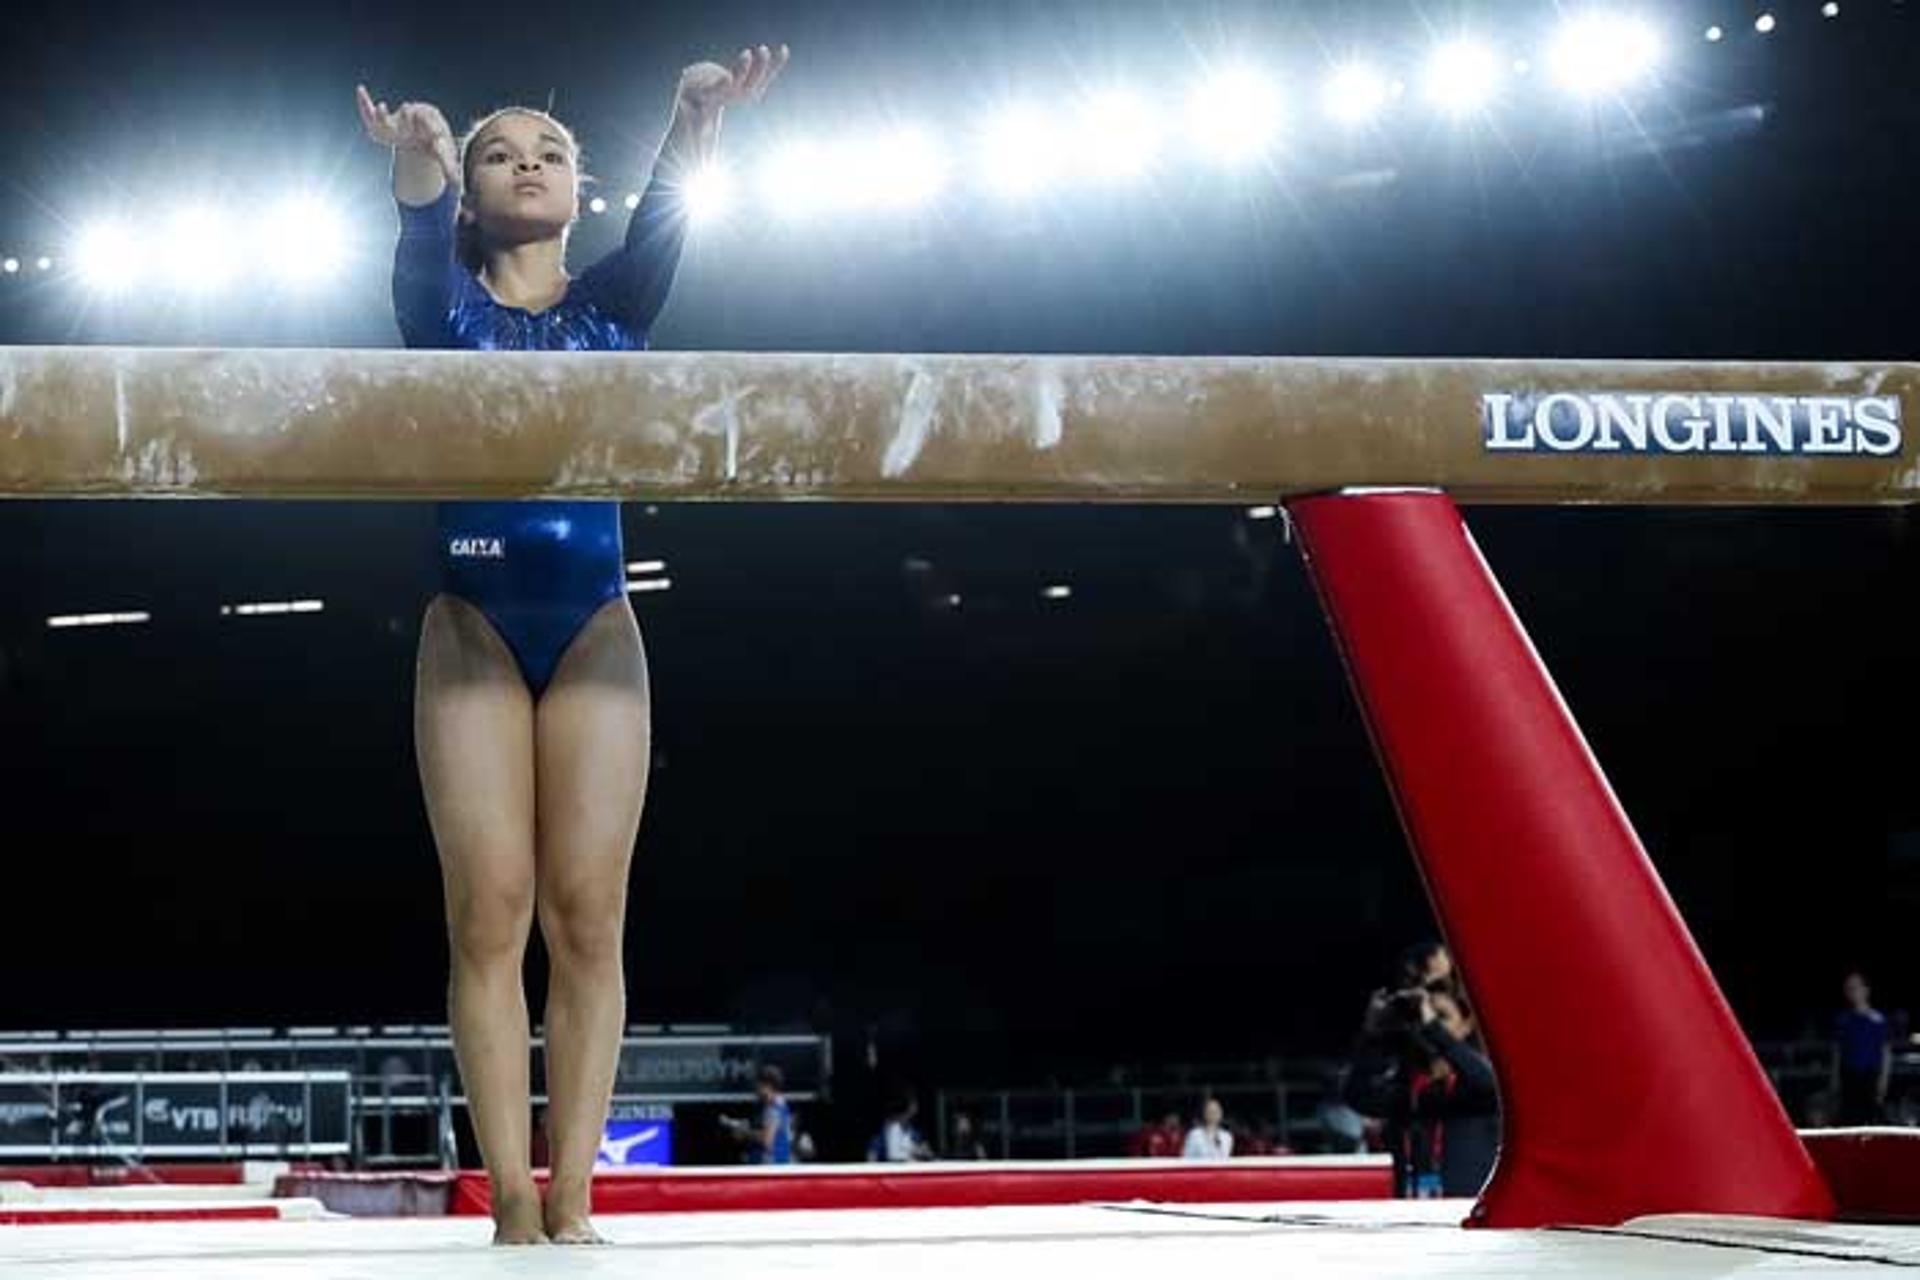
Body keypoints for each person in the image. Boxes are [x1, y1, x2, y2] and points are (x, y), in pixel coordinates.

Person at [356, 43, 788, 1246]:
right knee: (489, 910)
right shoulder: (441, 313)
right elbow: (413, 248)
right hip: (471, 624)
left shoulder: (612, 310)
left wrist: (694, 121)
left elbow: (659, 233)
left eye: (547, 151)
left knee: (588, 914)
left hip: (596, 618)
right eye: (500, 153)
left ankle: (578, 1202)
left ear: (574, 185)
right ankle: (511, 1206)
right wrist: (416, 165)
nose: (527, 163)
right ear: (476, 191)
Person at [1834, 971, 1892, 1126]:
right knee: (1850, 1121)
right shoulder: (1843, 1020)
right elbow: (1838, 1052)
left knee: (1872, 1121)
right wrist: (1835, 1080)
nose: (1852, 992)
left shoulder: (1878, 1020)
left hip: (1871, 1077)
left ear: (1866, 990)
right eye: (1849, 988)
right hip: (1849, 1078)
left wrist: (1883, 1082)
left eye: (1856, 987)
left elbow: (1885, 1053)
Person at [723, 1065, 796, 1164]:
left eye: (758, 1085)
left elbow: (767, 1141)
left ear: (768, 1086)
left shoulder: (773, 1109)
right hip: (778, 1163)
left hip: (771, 1166)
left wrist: (745, 1133)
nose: (756, 1088)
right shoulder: (780, 1104)